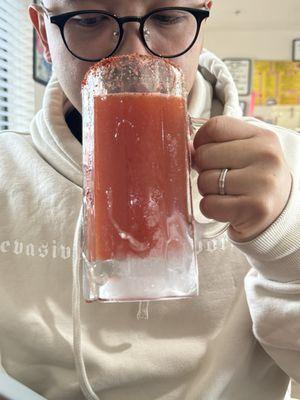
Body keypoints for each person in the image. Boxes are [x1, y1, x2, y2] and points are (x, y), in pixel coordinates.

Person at [0, 0, 299, 399]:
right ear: (43, 33)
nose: (133, 54)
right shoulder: (7, 176)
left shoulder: (288, 165)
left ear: (203, 15)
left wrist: (284, 245)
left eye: (167, 17)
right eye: (89, 20)